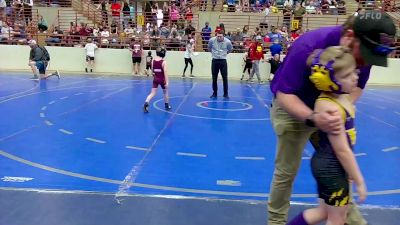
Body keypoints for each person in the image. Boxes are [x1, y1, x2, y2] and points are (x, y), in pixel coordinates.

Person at [267, 11, 396, 225]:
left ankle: (351, 220)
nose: (364, 63)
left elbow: (357, 88)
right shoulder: (309, 45)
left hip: (329, 109)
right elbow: (284, 94)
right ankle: (276, 221)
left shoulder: (365, 50)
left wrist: (339, 112)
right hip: (293, 108)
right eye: (363, 56)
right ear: (350, 36)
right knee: (286, 171)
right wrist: (314, 117)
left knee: (338, 169)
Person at [287, 46, 366, 225]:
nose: (355, 77)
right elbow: (342, 150)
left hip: (328, 165)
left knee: (322, 212)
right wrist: (359, 180)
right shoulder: (331, 108)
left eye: (354, 72)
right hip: (331, 166)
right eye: (347, 76)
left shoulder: (339, 97)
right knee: (337, 218)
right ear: (329, 81)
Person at [143, 47, 171, 113]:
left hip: (155, 79)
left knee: (152, 93)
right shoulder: (164, 62)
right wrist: (167, 82)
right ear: (163, 54)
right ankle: (167, 105)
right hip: (162, 80)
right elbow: (165, 72)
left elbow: (153, 70)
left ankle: (146, 103)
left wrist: (154, 75)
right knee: (165, 92)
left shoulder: (153, 61)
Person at [207, 30, 233, 99]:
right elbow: (209, 48)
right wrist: (214, 54)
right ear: (216, 35)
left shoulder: (228, 42)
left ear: (223, 36)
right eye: (218, 36)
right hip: (215, 60)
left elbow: (230, 49)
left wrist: (224, 54)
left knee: (225, 78)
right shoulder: (211, 40)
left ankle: (226, 94)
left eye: (220, 37)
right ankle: (214, 93)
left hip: (223, 61)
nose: (219, 38)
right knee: (214, 78)